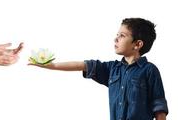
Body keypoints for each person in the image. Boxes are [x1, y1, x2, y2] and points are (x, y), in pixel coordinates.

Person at [29, 18, 168, 120]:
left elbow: (159, 107)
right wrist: (50, 66)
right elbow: (81, 65)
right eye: (117, 35)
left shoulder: (149, 70)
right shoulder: (112, 69)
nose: (116, 39)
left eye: (122, 35)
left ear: (137, 44)